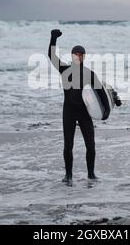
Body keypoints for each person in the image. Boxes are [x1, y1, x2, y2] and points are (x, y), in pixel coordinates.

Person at [48, 29, 110, 185]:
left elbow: (101, 93)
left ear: (84, 57)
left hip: (85, 112)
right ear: (72, 56)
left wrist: (106, 111)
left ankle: (91, 174)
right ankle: (68, 175)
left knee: (91, 144)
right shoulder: (65, 70)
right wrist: (53, 39)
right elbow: (51, 56)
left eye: (80, 54)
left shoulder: (90, 73)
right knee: (68, 145)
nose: (78, 56)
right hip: (69, 111)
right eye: (75, 54)